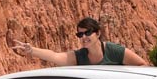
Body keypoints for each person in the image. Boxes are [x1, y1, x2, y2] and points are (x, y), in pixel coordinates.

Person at [12, 17, 147, 66]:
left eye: (88, 33)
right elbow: (55, 56)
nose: (83, 37)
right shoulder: (80, 57)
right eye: (80, 34)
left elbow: (142, 65)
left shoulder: (114, 51)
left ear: (98, 33)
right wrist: (32, 50)